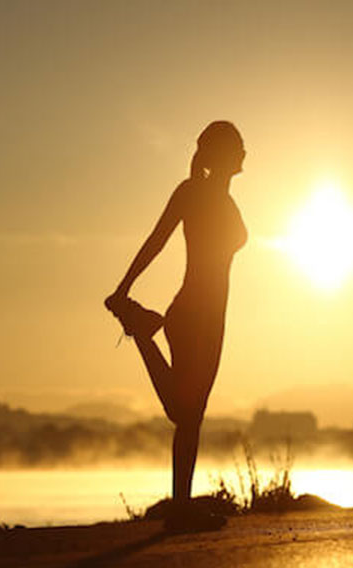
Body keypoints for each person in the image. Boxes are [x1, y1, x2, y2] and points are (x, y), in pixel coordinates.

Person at [105, 121, 247, 532]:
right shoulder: (191, 192)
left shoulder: (226, 200)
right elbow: (157, 239)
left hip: (213, 317)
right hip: (192, 313)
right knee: (186, 413)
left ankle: (182, 506)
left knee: (189, 413)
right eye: (238, 145)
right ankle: (181, 508)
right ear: (221, 153)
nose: (245, 152)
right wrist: (123, 288)